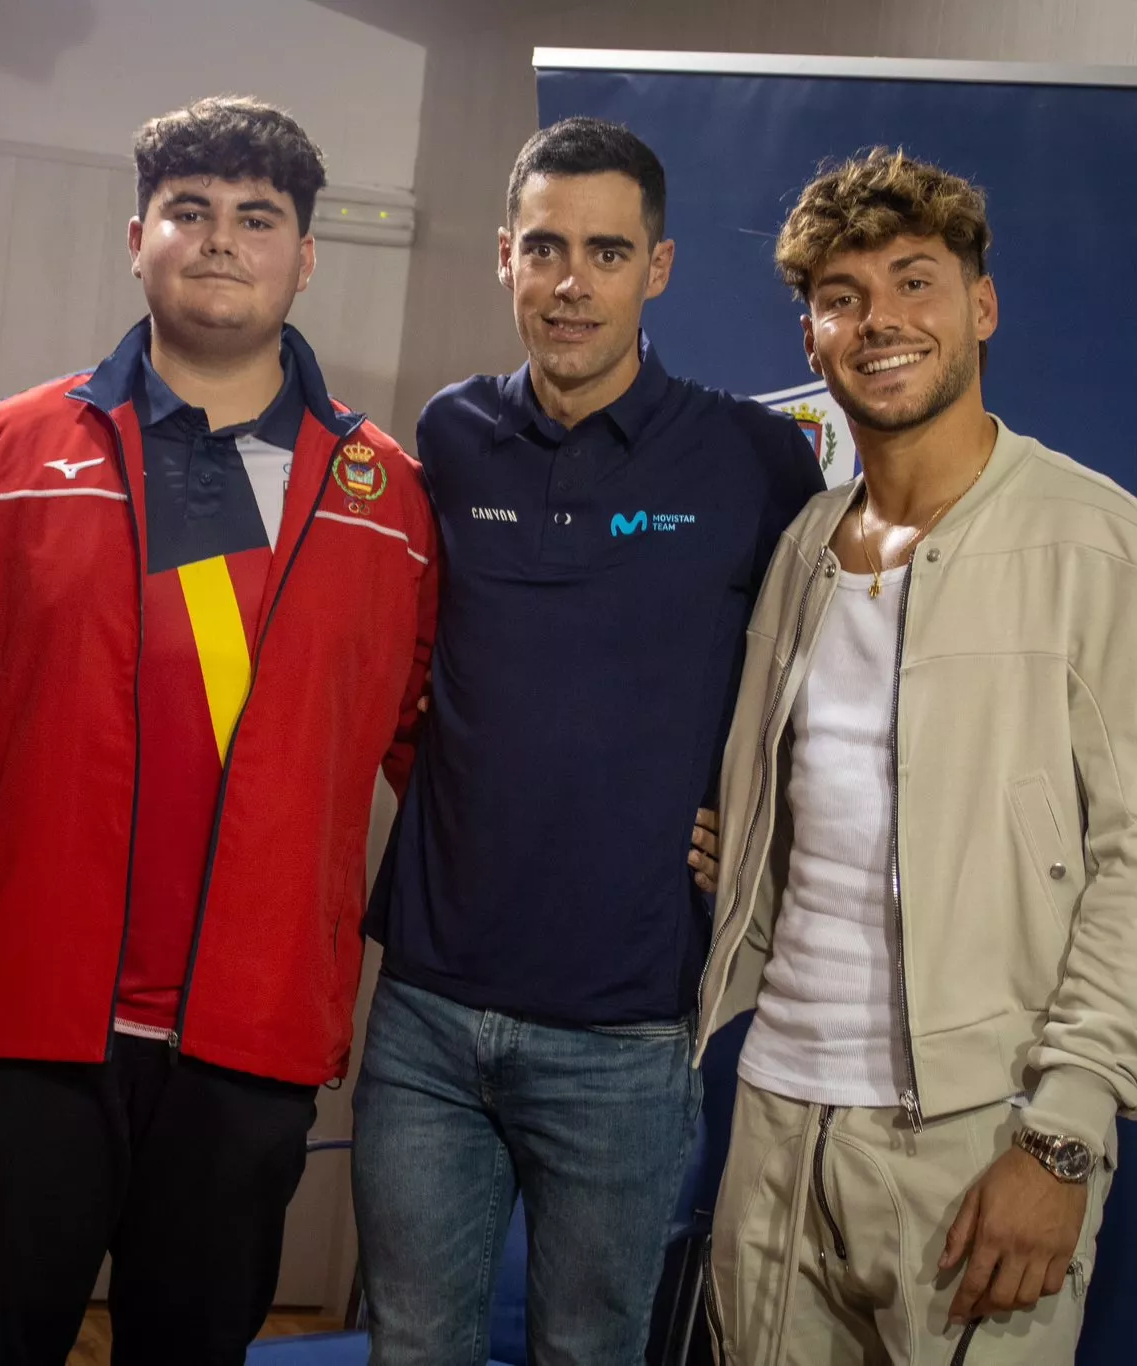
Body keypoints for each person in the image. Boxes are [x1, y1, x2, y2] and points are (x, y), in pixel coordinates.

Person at [0, 96, 436, 1366]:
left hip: (251, 1033)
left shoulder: (385, 496)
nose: (221, 240)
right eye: (191, 211)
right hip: (33, 1022)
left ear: (304, 255)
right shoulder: (2, 451)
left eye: (257, 218)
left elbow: (438, 752)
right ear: (136, 237)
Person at [698, 147, 1137, 1365]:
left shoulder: (1105, 547)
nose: (878, 318)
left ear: (978, 307)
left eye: (913, 281)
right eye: (842, 295)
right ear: (810, 336)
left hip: (980, 1139)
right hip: (776, 1117)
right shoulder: (799, 549)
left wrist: (1062, 1137)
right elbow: (806, 792)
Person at [352, 117, 823, 1364]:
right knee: (411, 1343)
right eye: (545, 249)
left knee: (589, 1353)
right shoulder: (446, 436)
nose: (571, 283)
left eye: (606, 253)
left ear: (655, 269)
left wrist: (762, 829)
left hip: (623, 1032)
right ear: (504, 256)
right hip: (426, 1018)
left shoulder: (757, 458)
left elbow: (828, 683)